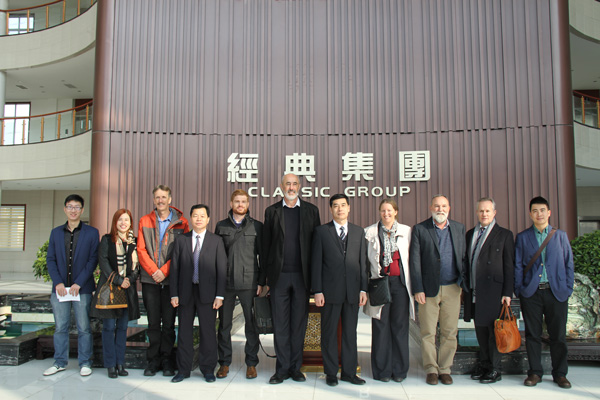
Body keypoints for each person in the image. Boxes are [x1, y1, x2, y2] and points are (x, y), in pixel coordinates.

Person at [260, 173, 321, 384]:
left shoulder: (311, 211)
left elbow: (316, 248)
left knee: (298, 324)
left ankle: (295, 368)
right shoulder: (272, 211)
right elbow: (265, 247)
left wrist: (317, 281)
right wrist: (263, 280)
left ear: (299, 186)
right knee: (281, 324)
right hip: (279, 278)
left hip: (302, 278)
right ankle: (282, 369)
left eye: (295, 184)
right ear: (281, 186)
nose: (291, 187)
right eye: (288, 184)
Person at [515, 196, 574, 389]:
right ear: (530, 214)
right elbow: (518, 265)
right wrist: (520, 289)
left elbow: (568, 264)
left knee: (558, 335)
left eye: (542, 210)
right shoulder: (523, 237)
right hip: (531, 293)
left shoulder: (560, 236)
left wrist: (567, 288)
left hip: (556, 292)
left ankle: (560, 374)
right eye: (535, 211)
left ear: (548, 213)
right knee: (533, 334)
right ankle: (534, 372)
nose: (539, 214)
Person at [409, 194, 467, 385]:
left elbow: (463, 257)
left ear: (449, 208)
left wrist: (462, 282)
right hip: (428, 290)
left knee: (450, 332)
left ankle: (445, 369)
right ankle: (431, 369)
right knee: (428, 332)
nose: (440, 209)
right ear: (430, 208)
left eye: (443, 206)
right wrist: (418, 288)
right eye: (436, 206)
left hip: (453, 287)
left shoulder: (458, 228)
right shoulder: (420, 229)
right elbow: (415, 261)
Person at [312, 194, 368, 387]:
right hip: (329, 292)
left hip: (352, 291)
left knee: (350, 333)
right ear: (331, 209)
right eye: (335, 206)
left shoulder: (358, 232)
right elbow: (316, 263)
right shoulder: (321, 232)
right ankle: (330, 372)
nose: (340, 209)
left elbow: (363, 263)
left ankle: (349, 373)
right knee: (328, 333)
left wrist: (363, 289)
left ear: (349, 208)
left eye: (343, 205)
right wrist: (317, 290)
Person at [170, 204, 227, 383]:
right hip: (185, 293)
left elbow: (222, 270)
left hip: (208, 294)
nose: (199, 219)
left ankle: (208, 369)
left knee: (208, 332)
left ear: (208, 219)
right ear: (191, 218)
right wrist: (174, 294)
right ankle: (183, 370)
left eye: (202, 216)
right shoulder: (181, 240)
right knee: (184, 332)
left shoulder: (216, 241)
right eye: (195, 215)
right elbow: (175, 269)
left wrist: (220, 295)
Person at [43, 194, 99, 377]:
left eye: (77, 207)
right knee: (60, 327)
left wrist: (79, 283)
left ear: (82, 210)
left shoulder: (92, 233)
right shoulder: (55, 233)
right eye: (70, 206)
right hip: (60, 289)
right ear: (65, 209)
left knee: (84, 327)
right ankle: (60, 362)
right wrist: (58, 282)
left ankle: (85, 362)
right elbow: (50, 259)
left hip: (82, 289)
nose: (73, 210)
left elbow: (93, 260)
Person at [137, 185, 189, 376]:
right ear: (154, 200)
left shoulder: (182, 222)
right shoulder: (145, 220)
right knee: (152, 323)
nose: (161, 200)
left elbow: (182, 251)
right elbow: (141, 249)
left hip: (170, 280)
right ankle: (153, 361)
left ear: (170, 199)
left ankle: (167, 360)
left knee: (168, 323)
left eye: (164, 197)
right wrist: (154, 271)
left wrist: (165, 271)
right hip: (149, 279)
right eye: (157, 197)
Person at [363, 199, 415, 383]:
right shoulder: (369, 232)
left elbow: (412, 259)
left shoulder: (406, 232)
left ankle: (399, 370)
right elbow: (365, 262)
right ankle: (382, 371)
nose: (386, 214)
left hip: (400, 284)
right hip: (379, 283)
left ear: (396, 212)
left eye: (390, 210)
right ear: (379, 212)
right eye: (383, 210)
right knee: (380, 326)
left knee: (400, 326)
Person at [463, 198, 514, 384]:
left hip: (495, 291)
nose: (484, 214)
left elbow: (509, 266)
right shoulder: (470, 234)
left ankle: (495, 369)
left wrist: (507, 292)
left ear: (494, 213)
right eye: (481, 211)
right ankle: (484, 364)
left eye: (487, 211)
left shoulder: (504, 235)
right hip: (475, 290)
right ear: (477, 212)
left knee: (494, 332)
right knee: (480, 330)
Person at [215, 189, 263, 379]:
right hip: (226, 283)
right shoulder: (221, 226)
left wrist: (261, 282)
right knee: (224, 325)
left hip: (249, 283)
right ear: (231, 203)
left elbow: (263, 256)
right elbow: (216, 256)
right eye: (237, 201)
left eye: (243, 201)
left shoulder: (257, 226)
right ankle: (224, 363)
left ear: (248, 204)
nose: (240, 204)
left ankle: (251, 363)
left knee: (251, 325)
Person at [91, 209, 141, 378]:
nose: (123, 223)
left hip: (127, 290)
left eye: (126, 220)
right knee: (108, 328)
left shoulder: (134, 242)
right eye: (120, 219)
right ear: (115, 222)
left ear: (130, 222)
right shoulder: (107, 239)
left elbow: (136, 266)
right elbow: (103, 263)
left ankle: (120, 363)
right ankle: (110, 364)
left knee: (122, 328)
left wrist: (129, 279)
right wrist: (119, 280)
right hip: (111, 289)